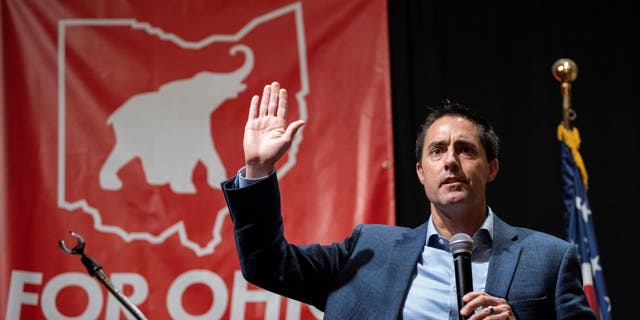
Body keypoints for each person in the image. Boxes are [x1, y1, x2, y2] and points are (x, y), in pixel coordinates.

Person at [221, 81, 596, 320]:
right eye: (437, 151)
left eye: (465, 150)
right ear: (420, 172)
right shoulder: (367, 251)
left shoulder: (548, 257)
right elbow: (267, 266)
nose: (450, 160)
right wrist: (257, 170)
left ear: (492, 168)